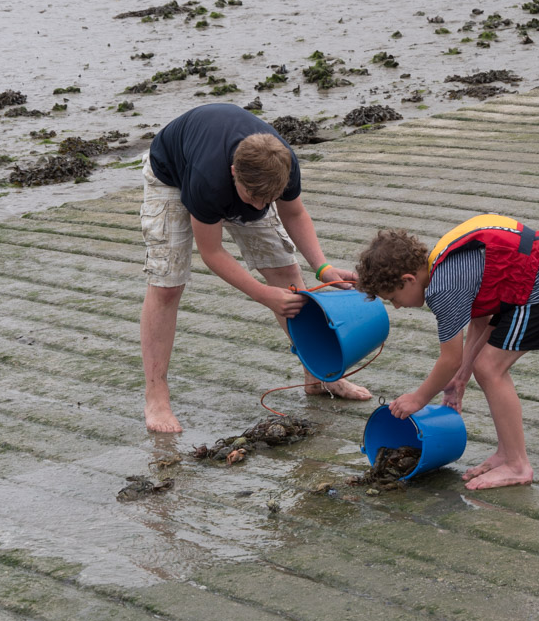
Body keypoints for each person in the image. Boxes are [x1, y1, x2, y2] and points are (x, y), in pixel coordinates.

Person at [139, 103, 371, 433]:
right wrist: (264, 295)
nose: (261, 208)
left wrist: (322, 267)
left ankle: (318, 374)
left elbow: (293, 213)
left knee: (288, 274)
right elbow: (212, 252)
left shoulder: (282, 165)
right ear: (235, 173)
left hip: (240, 176)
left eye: (269, 199)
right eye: (254, 199)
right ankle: (157, 397)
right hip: (172, 174)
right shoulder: (208, 180)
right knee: (167, 285)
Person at [355, 214, 539, 489]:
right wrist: (460, 379)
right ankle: (506, 453)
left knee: (490, 369)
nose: (398, 307)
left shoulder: (442, 289)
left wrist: (418, 399)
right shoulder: (441, 263)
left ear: (409, 279)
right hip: (529, 283)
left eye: (393, 298)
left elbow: (450, 359)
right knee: (484, 366)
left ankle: (518, 464)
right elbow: (479, 320)